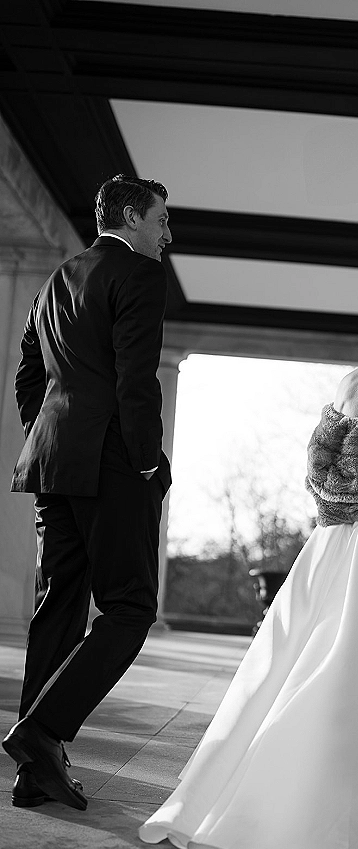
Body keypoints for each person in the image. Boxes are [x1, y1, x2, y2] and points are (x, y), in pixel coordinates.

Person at [138, 292, 358, 849]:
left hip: (338, 529)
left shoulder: (345, 386)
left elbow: (321, 463)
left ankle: (264, 776)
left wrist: (354, 491)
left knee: (308, 637)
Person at [2, 174, 172, 812]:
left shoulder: (57, 278)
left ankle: (32, 771)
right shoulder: (139, 275)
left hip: (53, 459)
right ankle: (42, 733)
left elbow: (27, 375)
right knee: (129, 610)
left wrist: (52, 434)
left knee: (59, 606)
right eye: (160, 221)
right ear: (130, 217)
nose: (166, 235)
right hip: (111, 463)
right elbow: (137, 378)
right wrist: (147, 462)